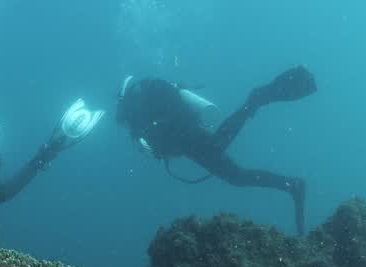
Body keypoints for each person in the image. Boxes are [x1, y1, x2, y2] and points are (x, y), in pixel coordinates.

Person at [116, 66, 317, 235]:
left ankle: (254, 100)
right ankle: (292, 185)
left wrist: (154, 139)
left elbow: (158, 131)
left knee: (218, 146)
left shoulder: (135, 108)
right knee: (236, 177)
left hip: (184, 134)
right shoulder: (138, 109)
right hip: (185, 142)